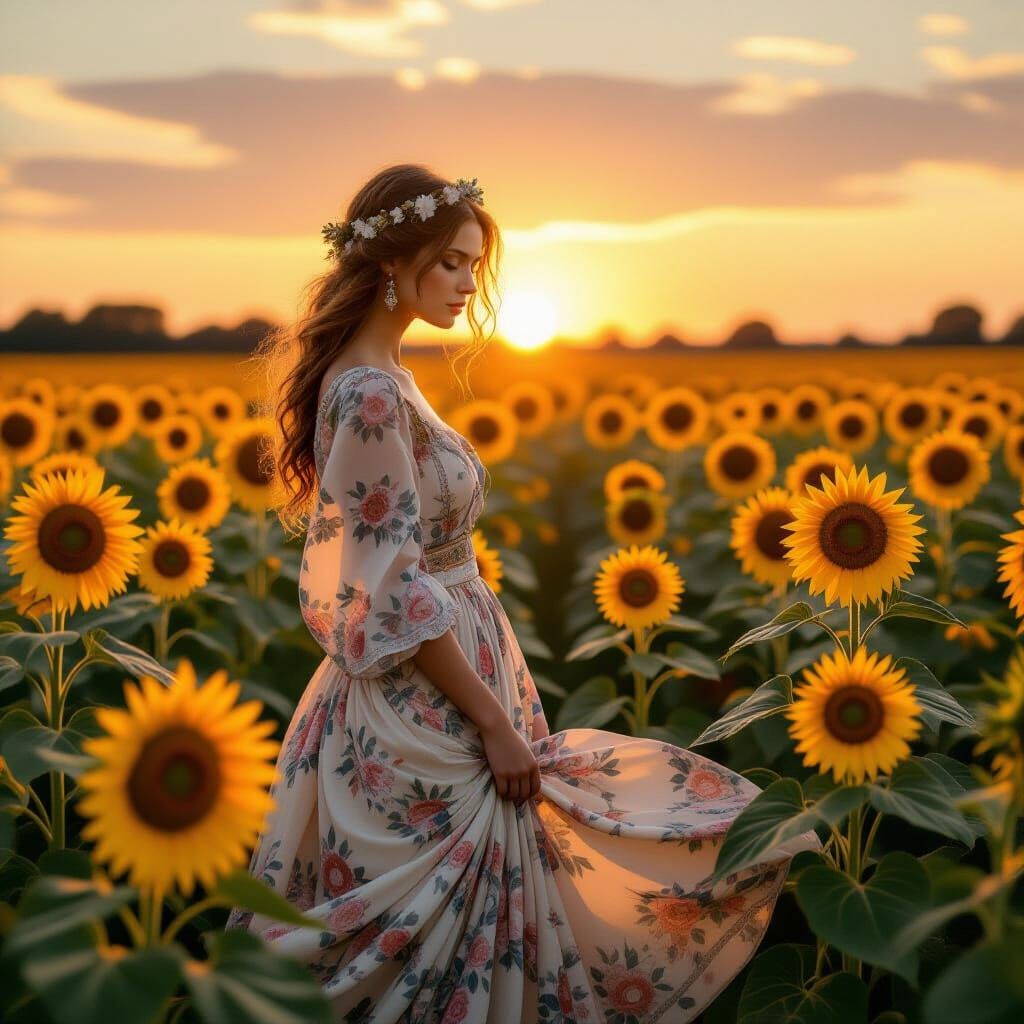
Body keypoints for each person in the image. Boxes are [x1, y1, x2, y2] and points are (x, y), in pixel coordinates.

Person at [227, 164, 820, 1022]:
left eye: (473, 265)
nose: (468, 284)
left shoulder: (386, 376)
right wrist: (493, 724)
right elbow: (389, 587)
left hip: (449, 677)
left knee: (473, 927)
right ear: (390, 263)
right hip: (427, 701)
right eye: (450, 262)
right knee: (443, 937)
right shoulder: (369, 393)